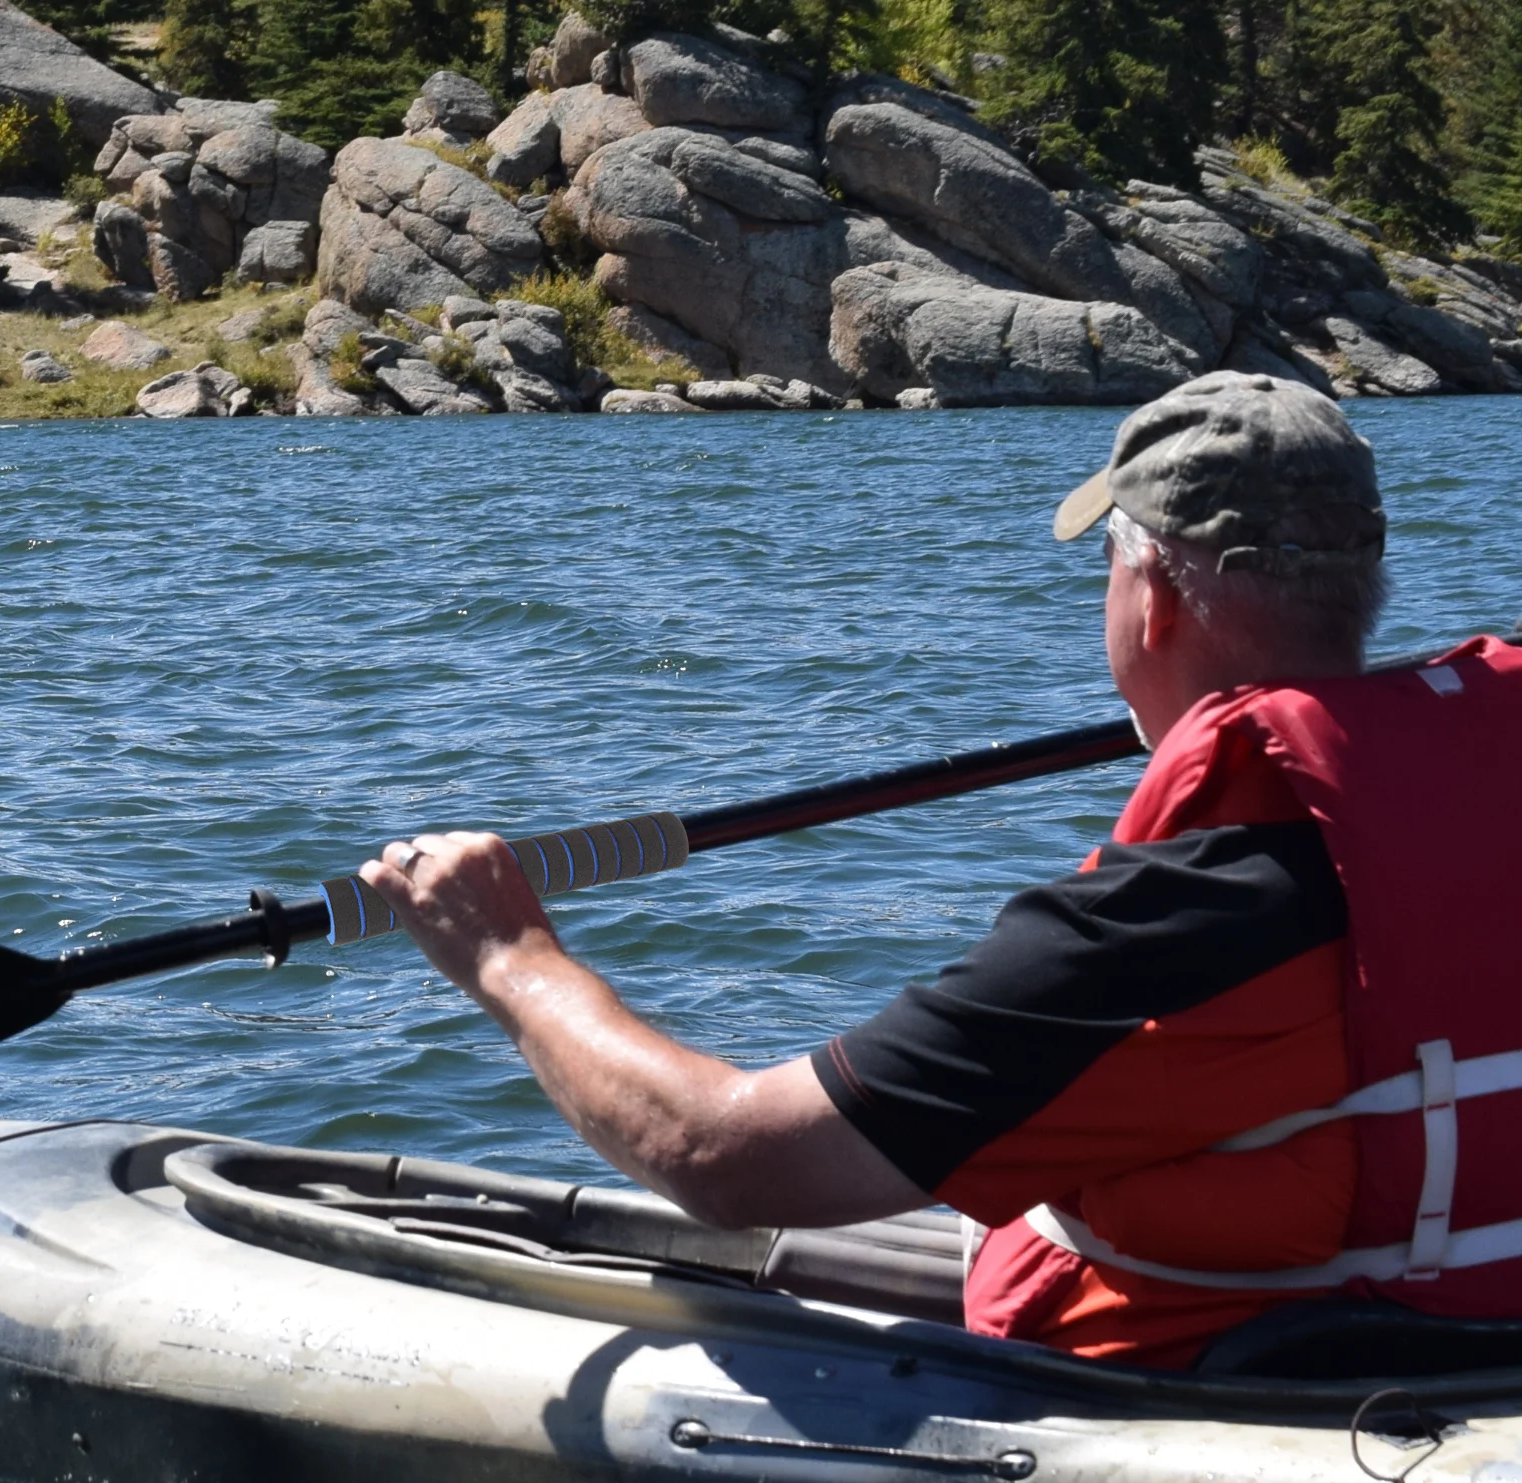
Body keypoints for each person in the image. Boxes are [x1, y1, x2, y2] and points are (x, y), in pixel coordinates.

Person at [361, 372, 1522, 1370]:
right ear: (1361, 579)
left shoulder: (1178, 918)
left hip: (1243, 1377)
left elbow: (723, 1157)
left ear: (1151, 597)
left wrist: (507, 953)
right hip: (1459, 1328)